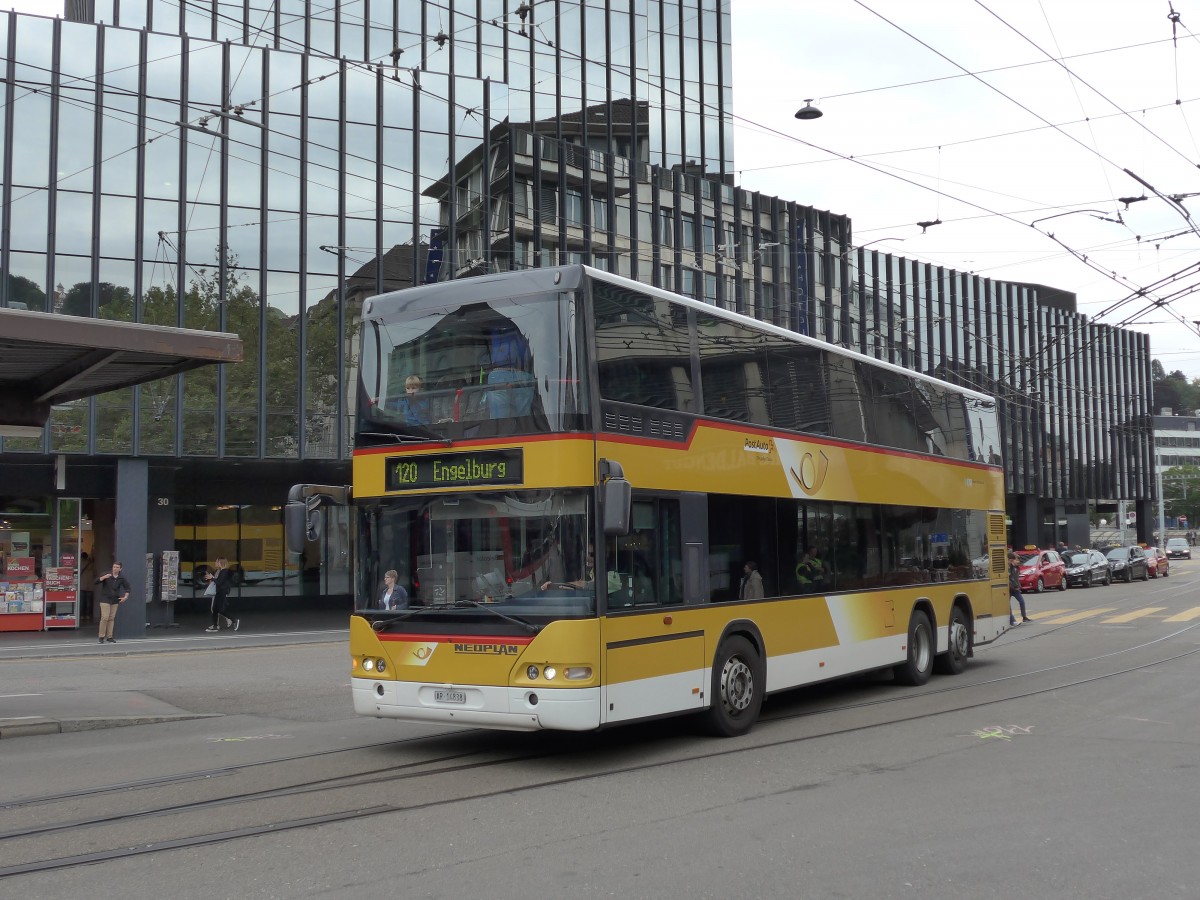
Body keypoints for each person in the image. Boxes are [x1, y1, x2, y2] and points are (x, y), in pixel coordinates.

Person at [95, 561, 130, 644]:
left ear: (120, 569)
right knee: (105, 617)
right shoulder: (106, 574)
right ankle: (101, 636)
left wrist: (125, 597)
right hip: (105, 599)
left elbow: (127, 588)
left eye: (117, 567)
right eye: (114, 567)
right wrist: (103, 577)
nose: (115, 568)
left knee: (111, 618)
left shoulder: (121, 578)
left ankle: (109, 637)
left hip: (115, 599)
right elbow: (96, 581)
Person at [204, 557, 238, 633]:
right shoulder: (221, 571)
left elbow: (219, 582)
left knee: (220, 609)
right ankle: (215, 626)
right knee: (215, 609)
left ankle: (234, 620)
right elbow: (218, 581)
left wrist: (212, 578)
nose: (215, 563)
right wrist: (211, 578)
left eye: (217, 562)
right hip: (219, 592)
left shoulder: (224, 571)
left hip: (222, 592)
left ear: (221, 563)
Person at [1008, 551, 1030, 625]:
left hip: (1016, 588)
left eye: (1018, 560)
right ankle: (1012, 620)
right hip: (1010, 589)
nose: (1018, 561)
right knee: (1008, 605)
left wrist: (1018, 586)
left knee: (1022, 601)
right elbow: (1010, 578)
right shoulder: (1009, 567)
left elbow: (1016, 579)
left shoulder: (1017, 568)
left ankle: (1024, 617)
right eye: (1016, 560)